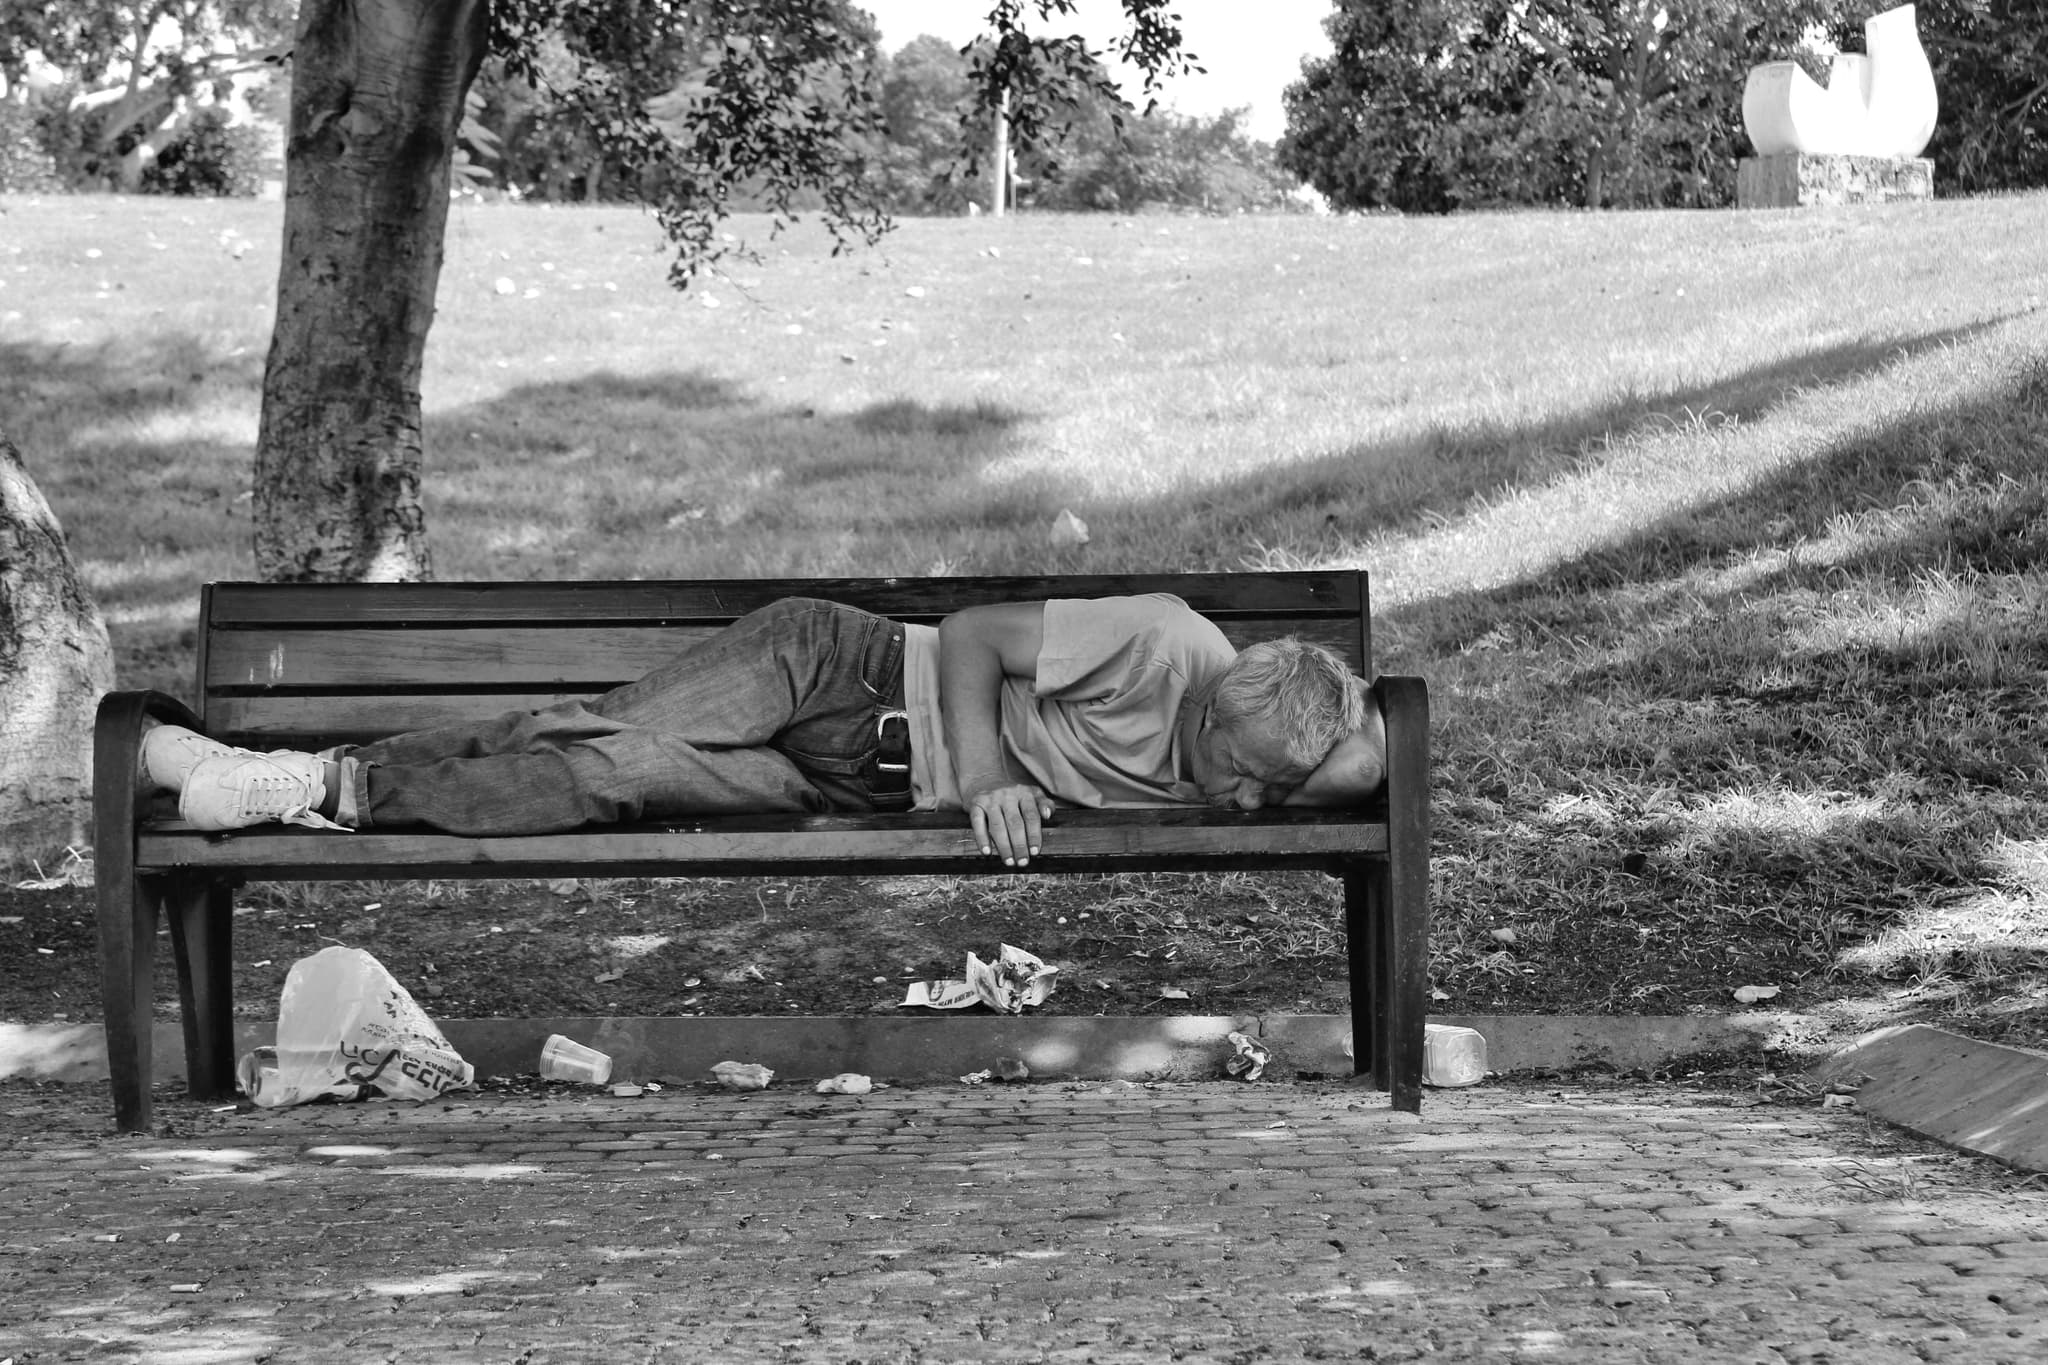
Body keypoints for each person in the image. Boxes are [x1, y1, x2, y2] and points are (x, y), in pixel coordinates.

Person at [138, 594, 1386, 867]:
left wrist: (1297, 775)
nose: (1246, 804)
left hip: (854, 796)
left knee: (608, 778)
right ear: (1217, 703)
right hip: (838, 671)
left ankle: (309, 788)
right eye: (1243, 772)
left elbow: (1369, 750)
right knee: (591, 726)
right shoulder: (1173, 644)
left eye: (1277, 791)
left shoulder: (1274, 749)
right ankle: (293, 771)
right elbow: (965, 635)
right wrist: (994, 773)